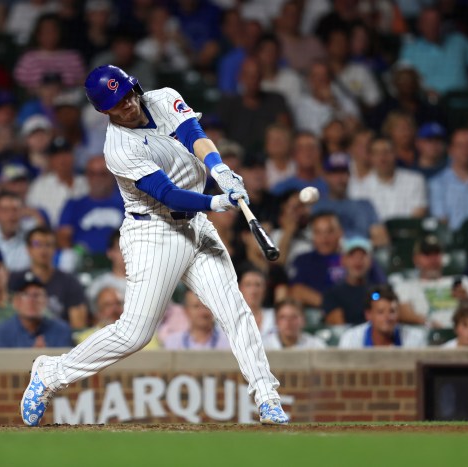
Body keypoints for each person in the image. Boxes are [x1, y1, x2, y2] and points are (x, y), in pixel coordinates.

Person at [20, 64, 289, 426]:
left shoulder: (162, 98)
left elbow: (194, 133)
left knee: (235, 311)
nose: (128, 103)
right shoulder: (118, 148)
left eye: (129, 93)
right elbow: (169, 195)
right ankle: (51, 373)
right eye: (118, 102)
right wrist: (216, 202)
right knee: (135, 333)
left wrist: (219, 168)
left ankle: (268, 397)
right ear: (104, 111)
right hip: (155, 233)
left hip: (196, 226)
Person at [9, 226, 88, 330]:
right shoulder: (15, 280)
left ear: (55, 249)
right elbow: (7, 316)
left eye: (48, 245)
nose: (43, 249)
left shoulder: (69, 282)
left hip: (59, 342)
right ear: (28, 249)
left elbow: (78, 326)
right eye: (37, 244)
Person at [391, 235, 468, 329]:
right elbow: (403, 313)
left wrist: (467, 301)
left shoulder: (463, 281)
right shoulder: (405, 286)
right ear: (416, 259)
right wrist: (428, 323)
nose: (433, 259)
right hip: (425, 335)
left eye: (437, 253)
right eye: (427, 254)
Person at [311, 152, 389, 247]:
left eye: (343, 172)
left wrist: (359, 248)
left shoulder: (364, 205)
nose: (340, 178)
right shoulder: (317, 207)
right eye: (334, 173)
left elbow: (382, 239)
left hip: (362, 256)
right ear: (325, 176)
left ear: (349, 175)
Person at [349, 137, 428, 222]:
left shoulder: (415, 180)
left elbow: (419, 213)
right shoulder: (359, 189)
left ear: (395, 154)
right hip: (374, 234)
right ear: (370, 157)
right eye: (376, 153)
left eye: (387, 152)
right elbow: (362, 221)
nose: (382, 158)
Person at [0, 271, 74, 348]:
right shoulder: (0, 332)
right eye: (25, 295)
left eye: (36, 295)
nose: (31, 300)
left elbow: (65, 363)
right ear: (16, 302)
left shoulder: (61, 330)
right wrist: (32, 357)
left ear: (45, 301)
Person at [338, 285, 428, 348]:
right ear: (368, 315)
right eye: (381, 312)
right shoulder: (351, 339)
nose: (388, 317)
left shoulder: (415, 339)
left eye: (392, 311)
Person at [322, 237, 377, 325]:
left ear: (370, 261)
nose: (358, 260)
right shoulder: (333, 294)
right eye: (352, 255)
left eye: (363, 255)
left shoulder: (378, 292)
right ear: (343, 260)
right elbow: (339, 327)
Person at [428, 128, 468, 231]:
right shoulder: (437, 183)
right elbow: (440, 219)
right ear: (450, 150)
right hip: (454, 242)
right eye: (460, 146)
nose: (465, 150)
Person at [163, 290, 229, 350]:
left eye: (206, 306)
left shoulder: (229, 342)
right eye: (196, 306)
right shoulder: (172, 343)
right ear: (186, 311)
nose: (202, 312)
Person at [238, 268, 275, 342]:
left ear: (265, 289)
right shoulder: (229, 317)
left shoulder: (274, 316)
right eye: (248, 285)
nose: (253, 290)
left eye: (258, 285)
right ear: (240, 289)